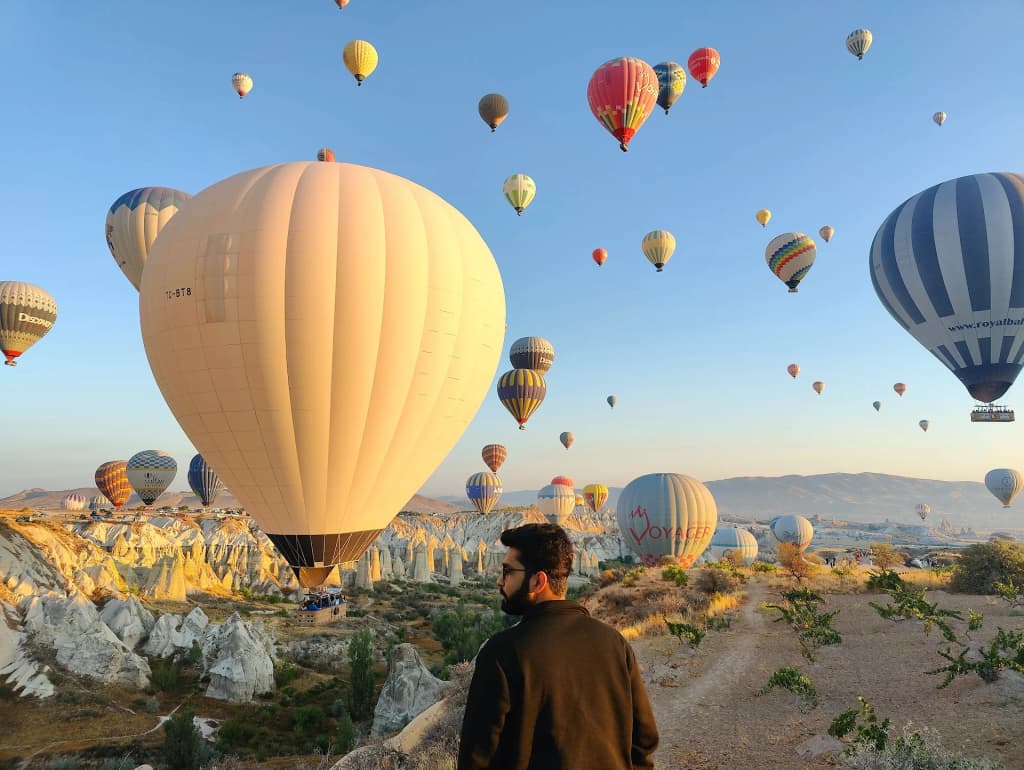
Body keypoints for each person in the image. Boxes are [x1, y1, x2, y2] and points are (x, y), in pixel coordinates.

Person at [457, 522, 660, 770]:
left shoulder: (502, 653)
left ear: (537, 581)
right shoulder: (614, 643)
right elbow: (644, 740)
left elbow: (476, 758)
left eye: (508, 571)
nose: (499, 580)